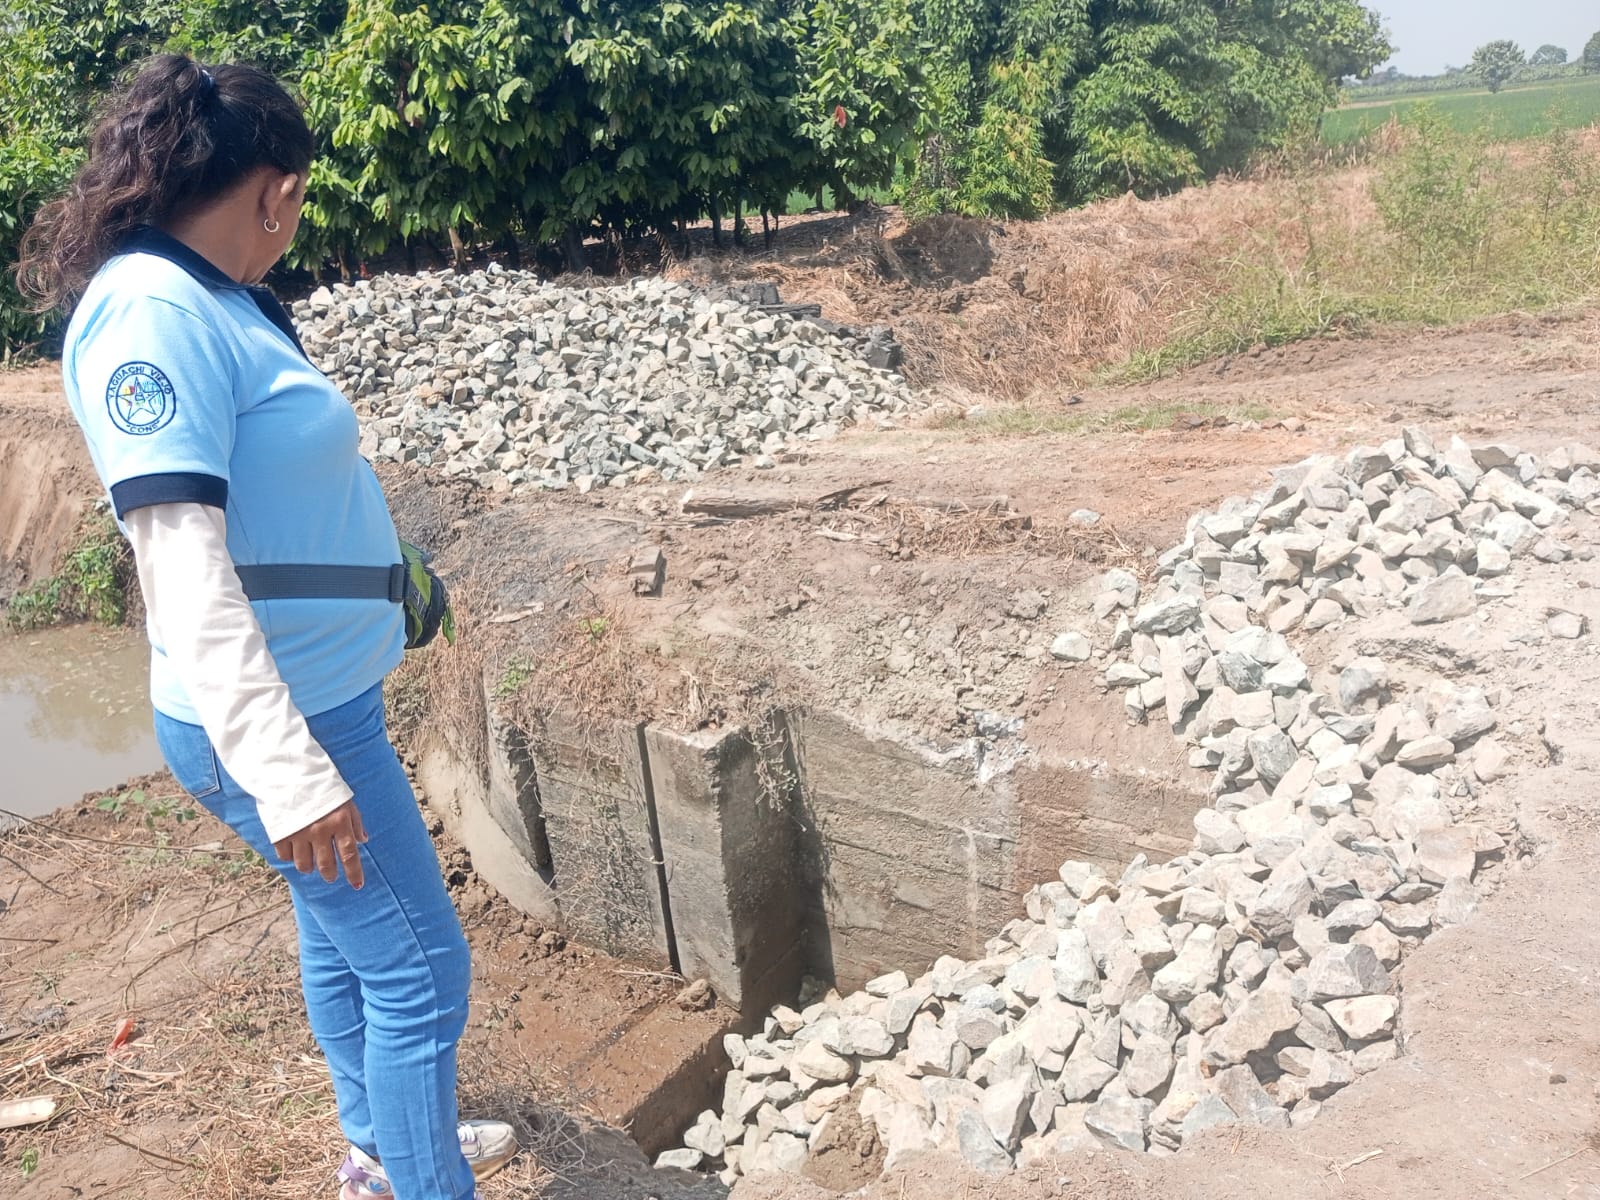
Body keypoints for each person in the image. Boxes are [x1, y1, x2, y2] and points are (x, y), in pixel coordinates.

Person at [16, 54, 515, 1200]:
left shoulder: (215, 297)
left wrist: (389, 570)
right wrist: (288, 775)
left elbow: (275, 490)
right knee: (422, 971)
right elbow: (183, 566)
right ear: (276, 189)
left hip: (322, 694)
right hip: (286, 717)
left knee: (346, 940)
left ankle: (379, 1154)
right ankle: (420, 1179)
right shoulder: (151, 317)